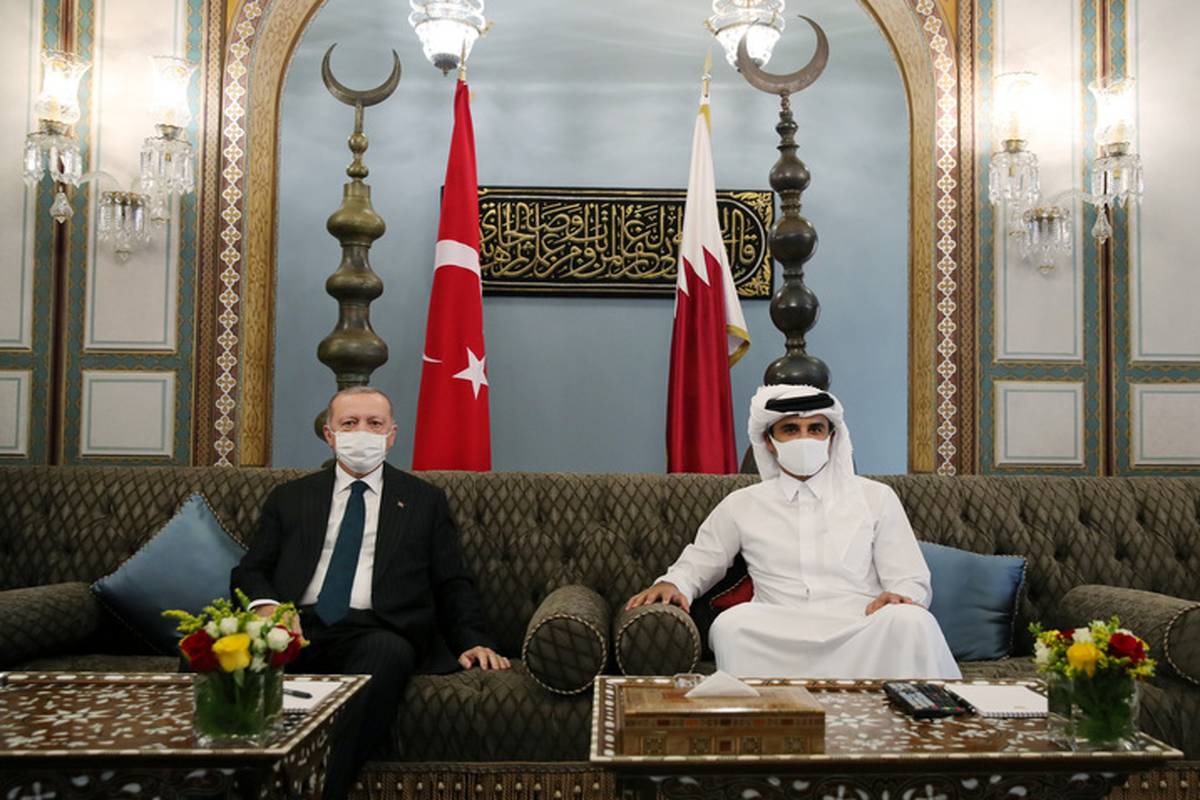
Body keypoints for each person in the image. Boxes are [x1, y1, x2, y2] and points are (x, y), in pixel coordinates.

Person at [232, 386, 509, 800]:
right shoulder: (290, 497)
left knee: (387, 653)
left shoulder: (424, 500)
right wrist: (268, 607)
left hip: (377, 629)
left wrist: (473, 640)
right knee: (212, 651)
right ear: (330, 435)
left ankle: (322, 790)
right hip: (294, 626)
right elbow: (251, 569)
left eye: (374, 423)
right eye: (350, 423)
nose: (362, 432)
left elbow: (452, 580)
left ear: (392, 435)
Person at [626, 384, 960, 680]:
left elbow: (909, 577)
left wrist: (900, 596)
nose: (804, 439)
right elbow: (701, 560)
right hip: (781, 627)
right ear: (769, 442)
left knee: (912, 622)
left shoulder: (876, 497)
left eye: (815, 429)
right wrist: (674, 583)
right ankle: (779, 718)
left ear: (831, 438)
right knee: (731, 626)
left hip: (859, 625)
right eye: (790, 429)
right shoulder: (742, 504)